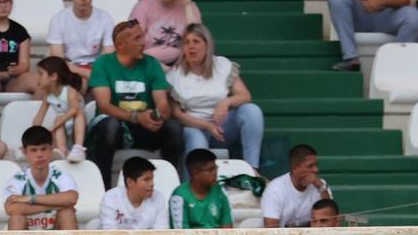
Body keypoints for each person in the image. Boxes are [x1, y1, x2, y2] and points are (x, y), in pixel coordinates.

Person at [87, 21, 184, 190]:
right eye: (136, 39)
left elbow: (162, 102)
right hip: (116, 128)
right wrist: (135, 116)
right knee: (110, 126)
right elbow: (104, 105)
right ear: (120, 45)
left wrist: (158, 116)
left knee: (173, 129)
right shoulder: (103, 64)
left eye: (142, 37)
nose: (143, 43)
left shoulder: (152, 64)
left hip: (144, 128)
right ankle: (102, 190)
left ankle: (170, 187)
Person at [168, 23, 264, 177]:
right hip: (194, 126)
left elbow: (245, 95)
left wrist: (226, 102)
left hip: (222, 126)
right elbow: (177, 115)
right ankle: (192, 187)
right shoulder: (175, 75)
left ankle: (252, 169)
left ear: (207, 44)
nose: (191, 47)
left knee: (252, 111)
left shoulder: (222, 65)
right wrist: (206, 125)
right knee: (197, 143)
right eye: (186, 42)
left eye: (196, 41)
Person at [3, 125, 82, 235]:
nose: (39, 155)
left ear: (52, 149)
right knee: (16, 218)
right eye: (34, 150)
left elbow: (72, 198)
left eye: (43, 149)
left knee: (66, 213)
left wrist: (30, 199)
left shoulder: (61, 176)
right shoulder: (18, 180)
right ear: (25, 152)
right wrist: (56, 203)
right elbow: (11, 208)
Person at [128, 0, 202, 68]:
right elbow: (131, 42)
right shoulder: (143, 6)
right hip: (147, 65)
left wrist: (187, 5)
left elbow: (198, 39)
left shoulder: (190, 7)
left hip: (183, 66)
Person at [48, 0, 116, 82]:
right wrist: (86, 73)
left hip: (97, 68)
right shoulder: (58, 20)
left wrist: (92, 72)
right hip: (69, 69)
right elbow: (58, 61)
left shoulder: (105, 19)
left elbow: (108, 56)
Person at [262, 143, 331, 228]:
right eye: (310, 166)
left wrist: (321, 187)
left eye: (316, 165)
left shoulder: (320, 186)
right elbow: (270, 229)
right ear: (295, 168)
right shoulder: (275, 189)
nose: (316, 170)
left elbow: (331, 219)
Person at [32, 56, 86, 161]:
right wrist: (32, 136)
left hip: (81, 130)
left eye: (41, 74)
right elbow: (39, 117)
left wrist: (53, 127)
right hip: (65, 130)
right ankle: (62, 151)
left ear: (53, 77)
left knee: (77, 112)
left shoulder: (70, 91)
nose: (38, 78)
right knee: (59, 118)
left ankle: (78, 148)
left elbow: (74, 110)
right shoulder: (48, 95)